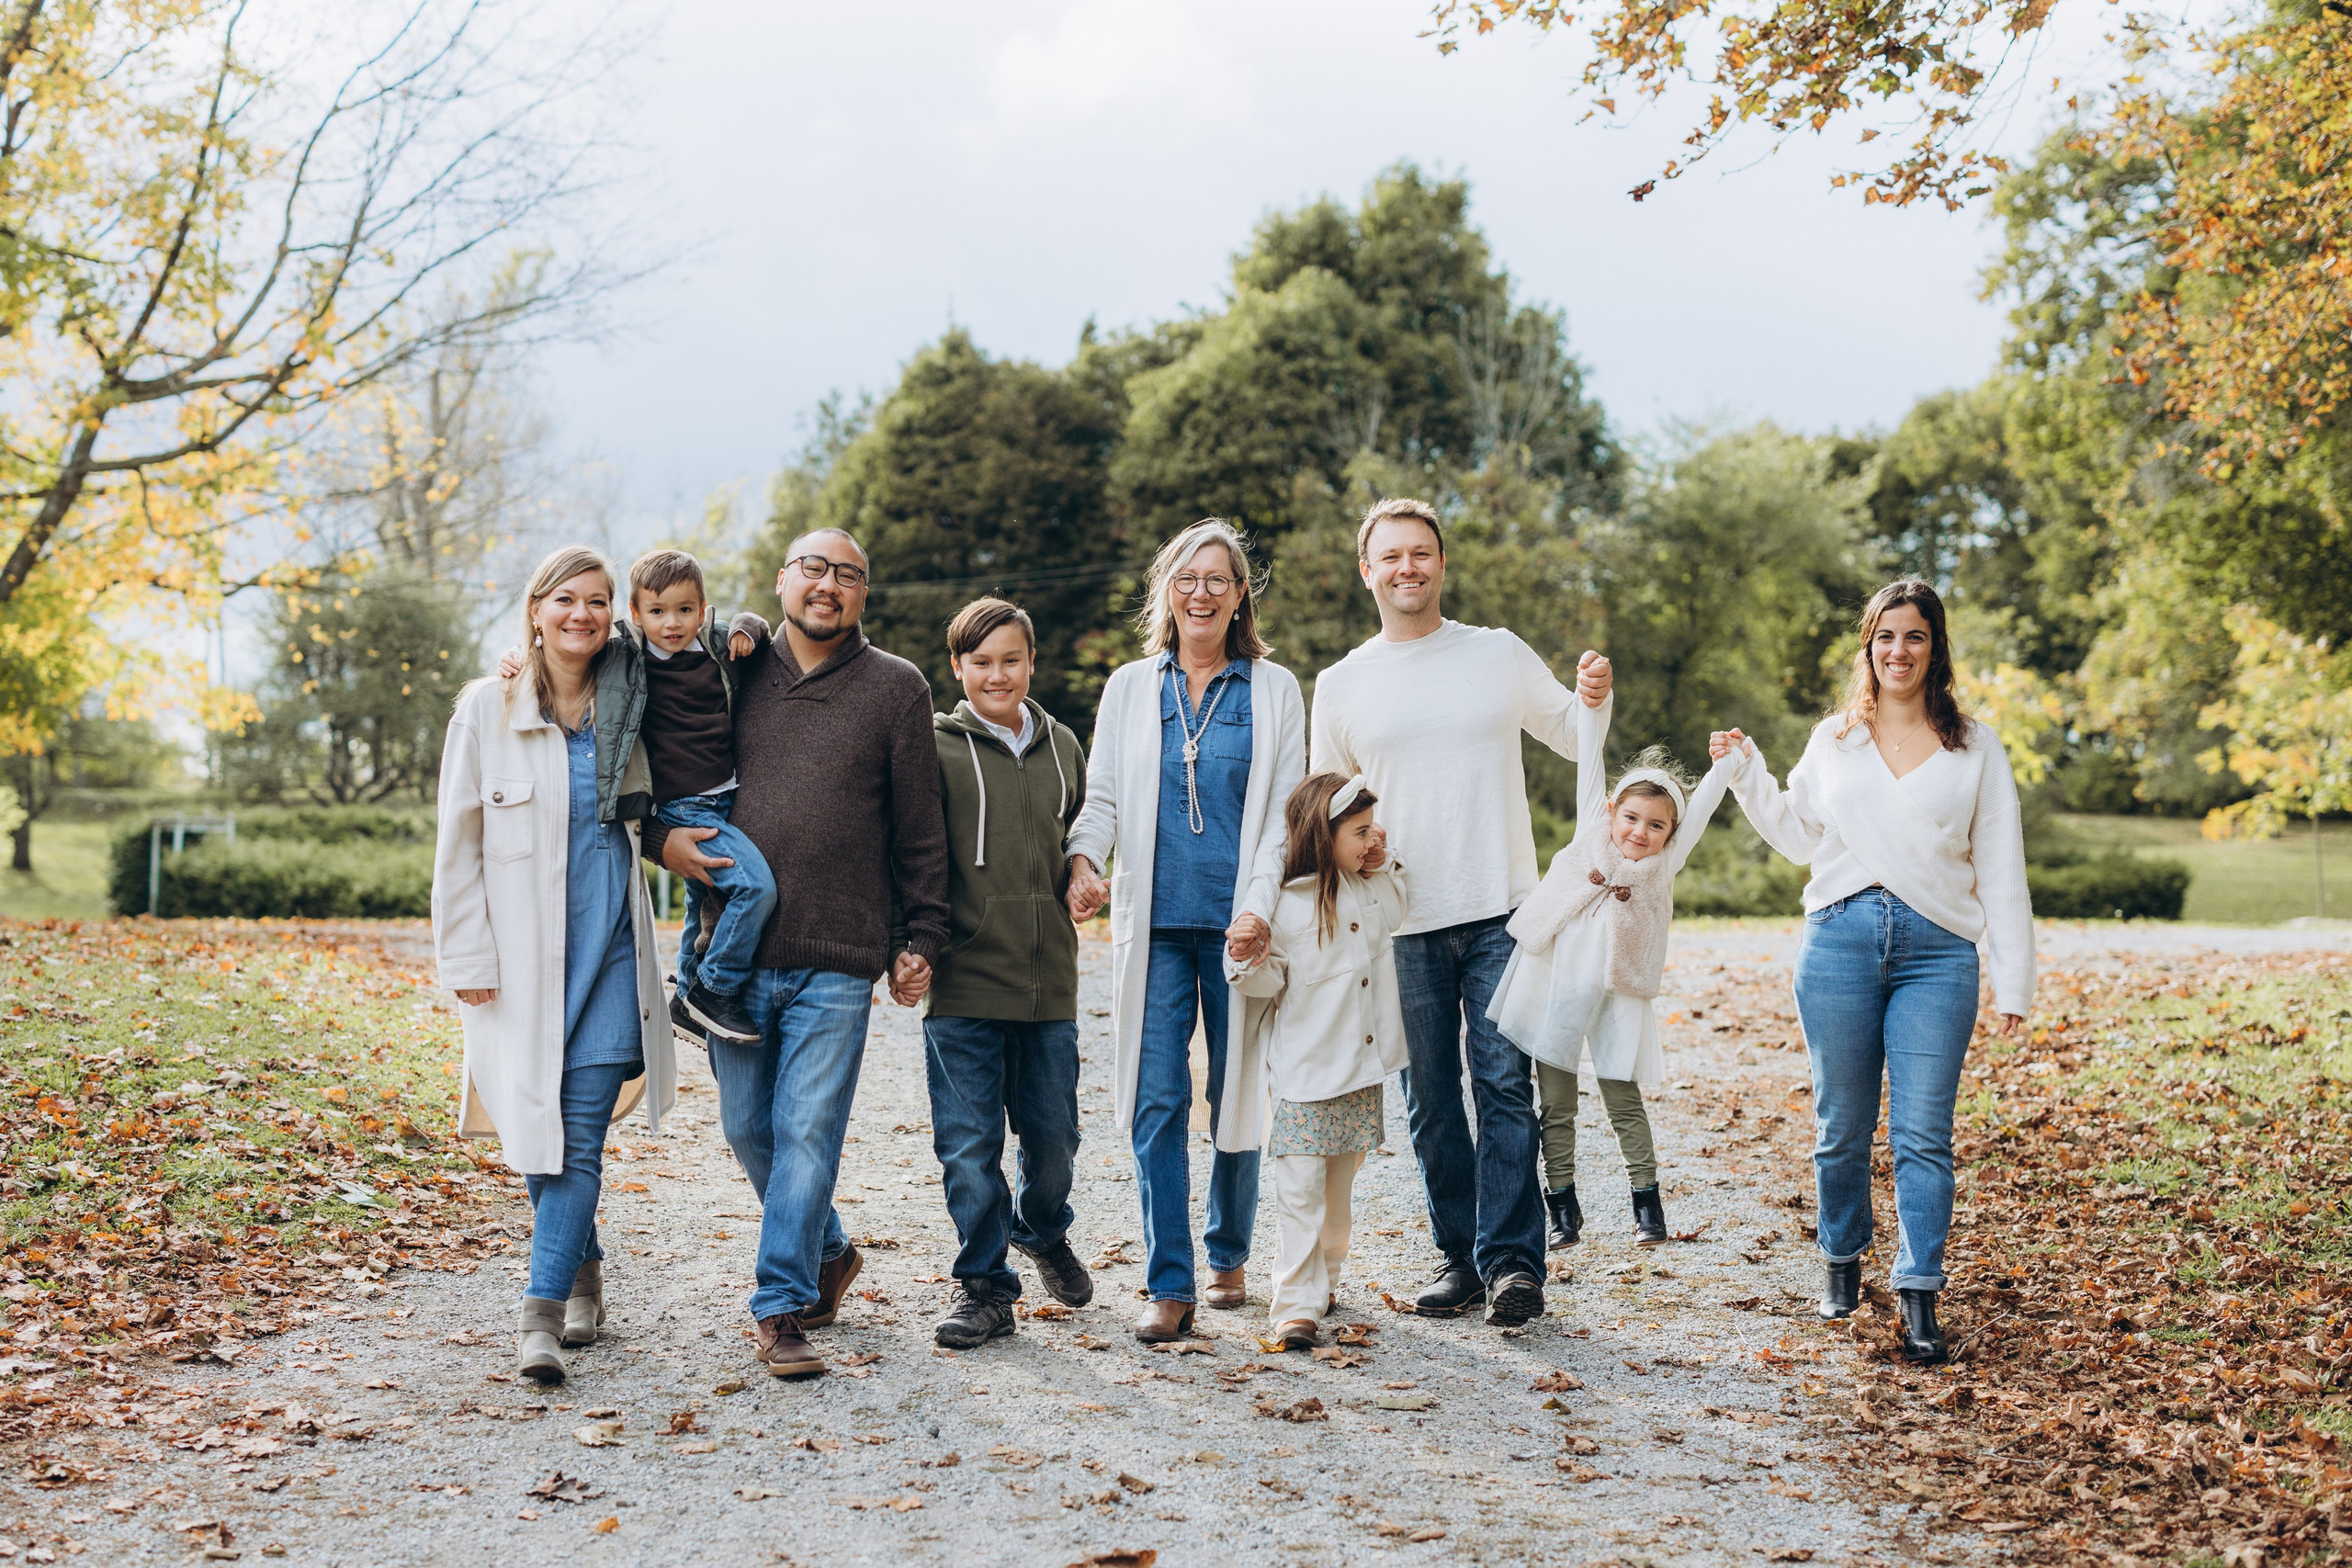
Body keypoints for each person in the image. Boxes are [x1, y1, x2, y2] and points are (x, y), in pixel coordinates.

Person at [649, 526, 951, 1380]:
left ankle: (780, 1308)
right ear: (783, 580)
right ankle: (830, 1249)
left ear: (863, 594)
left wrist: (918, 937)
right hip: (731, 961)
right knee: (748, 1127)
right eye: (813, 569)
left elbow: (918, 829)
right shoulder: (728, 666)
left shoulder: (896, 688)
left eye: (847, 575)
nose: (828, 585)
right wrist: (656, 844)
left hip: (837, 954)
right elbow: (632, 705)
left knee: (807, 1130)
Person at [1713, 578, 2033, 1365]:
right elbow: (1794, 836)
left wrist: (2014, 978)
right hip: (1840, 942)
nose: (1899, 650)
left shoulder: (1976, 746)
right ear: (1868, 645)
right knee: (1842, 1125)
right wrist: (1747, 772)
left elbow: (2002, 867)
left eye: (1915, 636)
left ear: (1936, 646)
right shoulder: (1835, 741)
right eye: (1885, 636)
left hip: (1938, 953)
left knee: (1925, 1133)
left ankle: (1919, 1288)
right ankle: (1841, 1255)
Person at [1309, 496, 1611, 1327]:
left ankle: (1515, 1264)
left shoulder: (1498, 654)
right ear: (1366, 571)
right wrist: (1345, 857)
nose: (1408, 567)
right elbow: (1324, 808)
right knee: (1431, 1097)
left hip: (1502, 910)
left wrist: (1593, 695)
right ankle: (1461, 1255)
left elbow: (1575, 737)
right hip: (1398, 918)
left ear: (1442, 564)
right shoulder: (1340, 685)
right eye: (1391, 556)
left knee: (1504, 1081)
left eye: (1422, 553)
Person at [431, 545, 676, 1385]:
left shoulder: (635, 700)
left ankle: (538, 1318)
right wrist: (463, 951)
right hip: (519, 965)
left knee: (575, 1139)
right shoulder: (484, 708)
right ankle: (582, 1267)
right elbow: (457, 842)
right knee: (539, 1137)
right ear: (535, 608)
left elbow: (708, 655)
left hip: (610, 952)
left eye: (599, 602)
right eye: (565, 600)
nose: (582, 615)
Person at [1064, 519, 1306, 1343]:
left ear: (1241, 593)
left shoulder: (1274, 690)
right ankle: (1170, 1281)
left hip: (1239, 926)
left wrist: (1260, 907)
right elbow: (1100, 797)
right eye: (1187, 576)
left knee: (1236, 1094)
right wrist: (1084, 861)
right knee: (1155, 1097)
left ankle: (1228, 1247)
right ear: (1167, 588)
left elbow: (1283, 817)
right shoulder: (1131, 687)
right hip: (1154, 926)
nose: (1201, 591)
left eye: (1219, 578)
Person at [912, 597, 1094, 1349]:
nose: (997, 674)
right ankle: (985, 1287)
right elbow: (911, 853)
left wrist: (1086, 868)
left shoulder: (1064, 747)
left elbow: (1083, 828)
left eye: (1010, 660)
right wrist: (907, 943)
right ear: (957, 668)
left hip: (1050, 982)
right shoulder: (932, 747)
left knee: (1055, 1141)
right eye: (980, 662)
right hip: (962, 986)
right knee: (968, 1148)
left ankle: (1042, 1227)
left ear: (1030, 662)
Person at [1487, 719, 1737, 1250]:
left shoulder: (1664, 864)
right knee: (1556, 1105)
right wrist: (1592, 708)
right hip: (1560, 990)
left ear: (1671, 834)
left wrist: (1727, 762)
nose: (1640, 833)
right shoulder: (1589, 836)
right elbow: (1591, 765)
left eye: (1656, 826)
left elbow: (1706, 804)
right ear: (1610, 813)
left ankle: (1646, 1201)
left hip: (1618, 994)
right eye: (1631, 818)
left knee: (1623, 1098)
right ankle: (1563, 1207)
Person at [1225, 773, 1409, 1349]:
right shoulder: (1284, 903)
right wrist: (1245, 959)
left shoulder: (1369, 885)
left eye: (1372, 829)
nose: (1370, 839)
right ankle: (1294, 1305)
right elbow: (1263, 982)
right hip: (1305, 1075)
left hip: (1359, 1071)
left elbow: (1401, 908)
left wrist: (1382, 860)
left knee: (1337, 1189)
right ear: (1322, 835)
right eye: (1358, 832)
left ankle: (1325, 1277)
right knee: (1299, 1191)